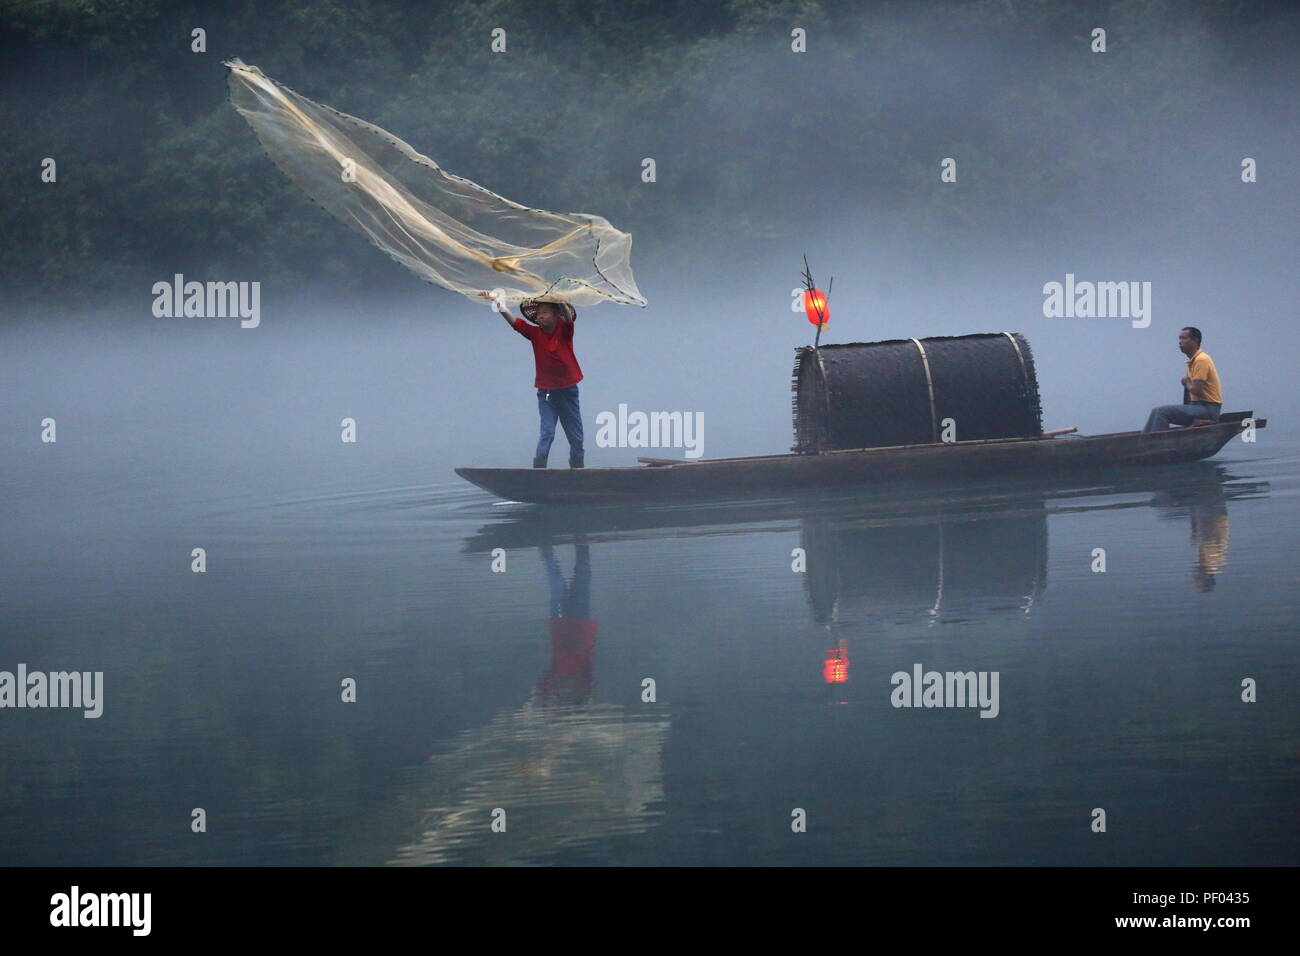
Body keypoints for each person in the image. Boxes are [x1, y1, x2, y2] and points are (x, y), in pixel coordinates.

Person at [482, 294, 585, 468]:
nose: (539, 316)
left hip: (568, 391)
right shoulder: (535, 333)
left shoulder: (564, 332)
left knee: (576, 438)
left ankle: (578, 469)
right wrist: (498, 303)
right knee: (547, 433)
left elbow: (568, 319)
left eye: (544, 312)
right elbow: (515, 323)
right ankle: (539, 468)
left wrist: (561, 303)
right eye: (538, 313)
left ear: (556, 315)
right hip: (546, 394)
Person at [1143, 327, 1223, 432]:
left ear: (1195, 341)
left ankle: (1157, 443)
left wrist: (1187, 382)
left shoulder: (1201, 359)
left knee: (1161, 412)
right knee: (1156, 411)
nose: (1180, 342)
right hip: (1198, 407)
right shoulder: (1192, 361)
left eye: (1184, 338)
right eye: (1179, 339)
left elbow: (1197, 390)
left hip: (1207, 409)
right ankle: (1145, 439)